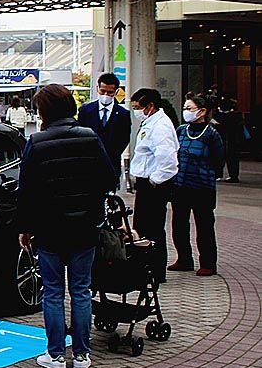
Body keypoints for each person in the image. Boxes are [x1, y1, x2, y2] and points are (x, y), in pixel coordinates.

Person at [17, 84, 116, 368]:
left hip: (49, 228)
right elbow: (109, 179)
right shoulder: (90, 137)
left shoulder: (36, 142)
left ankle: (57, 355)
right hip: (85, 226)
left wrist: (24, 228)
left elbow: (27, 191)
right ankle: (83, 356)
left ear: (44, 111)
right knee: (82, 290)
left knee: (53, 292)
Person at [170, 96, 224, 277]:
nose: (186, 111)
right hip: (180, 185)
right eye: (185, 107)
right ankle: (184, 259)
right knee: (179, 224)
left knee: (205, 226)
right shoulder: (181, 130)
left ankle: (208, 263)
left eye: (190, 108)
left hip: (203, 187)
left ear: (202, 111)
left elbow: (218, 161)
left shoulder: (211, 134)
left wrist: (207, 174)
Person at [129, 88, 179, 283]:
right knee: (142, 227)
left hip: (154, 185)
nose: (136, 111)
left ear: (150, 106)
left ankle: (155, 271)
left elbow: (167, 160)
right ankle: (145, 268)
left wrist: (155, 180)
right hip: (146, 182)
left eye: (138, 107)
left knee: (153, 228)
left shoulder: (161, 126)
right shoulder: (149, 122)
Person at [77, 73, 131, 185]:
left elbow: (124, 139)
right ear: (97, 88)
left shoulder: (123, 114)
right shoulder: (85, 110)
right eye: (102, 91)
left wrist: (111, 154)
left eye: (110, 92)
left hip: (111, 165)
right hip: (88, 165)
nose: (105, 95)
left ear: (116, 92)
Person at [215, 97, 243, 183]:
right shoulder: (237, 115)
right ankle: (233, 176)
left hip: (222, 140)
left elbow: (218, 126)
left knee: (219, 156)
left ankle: (218, 175)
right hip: (235, 141)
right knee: (233, 158)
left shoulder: (220, 116)